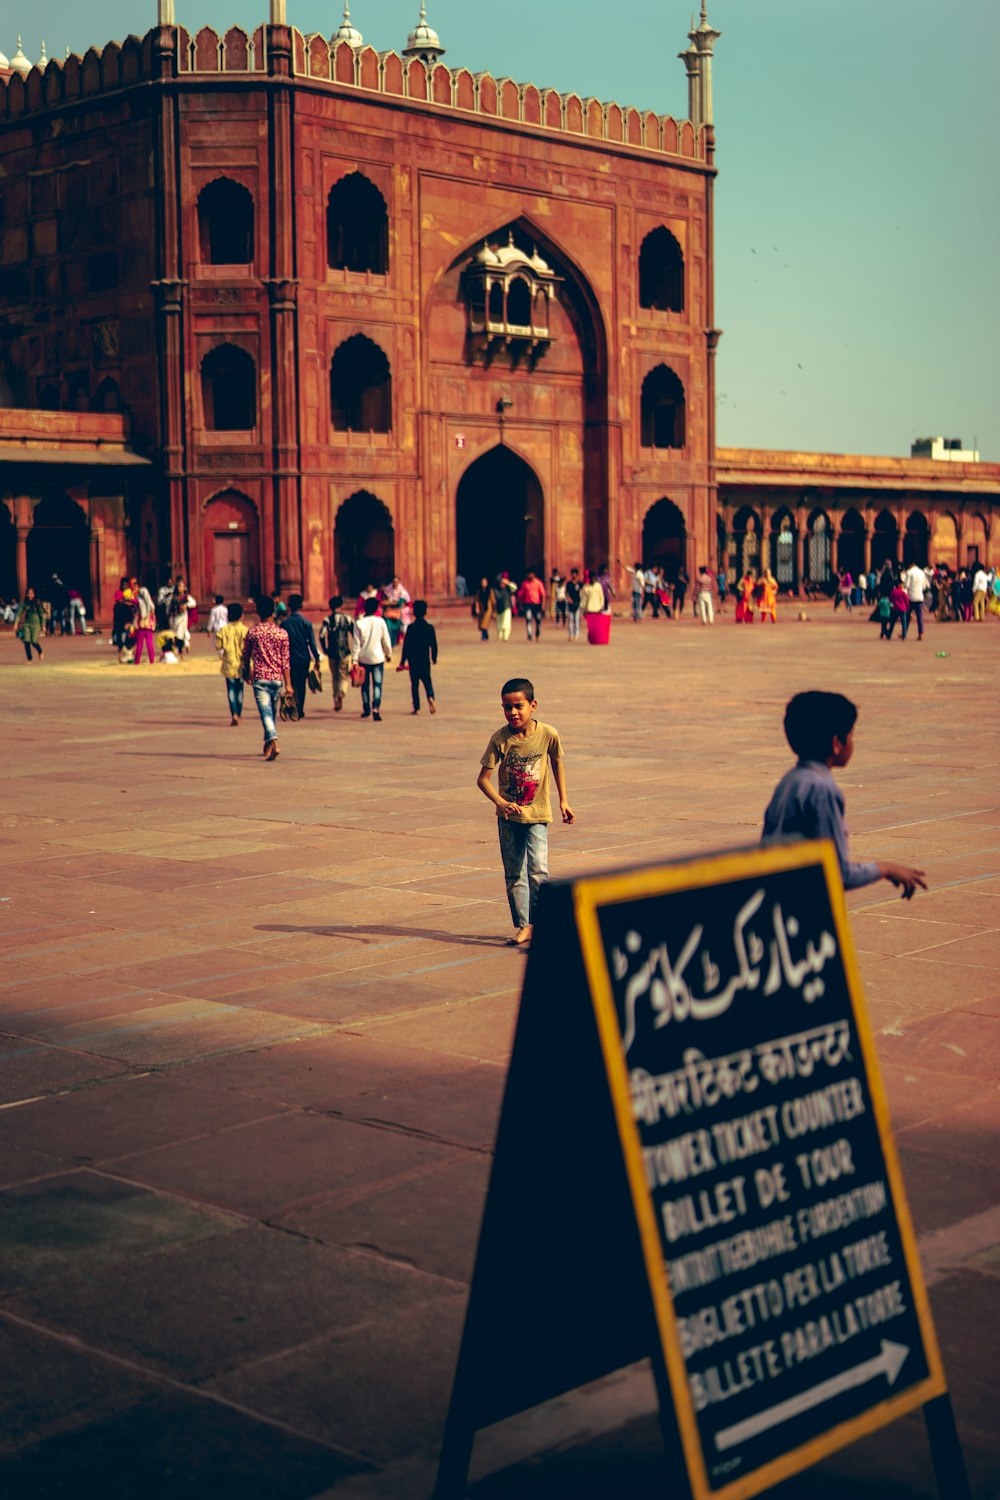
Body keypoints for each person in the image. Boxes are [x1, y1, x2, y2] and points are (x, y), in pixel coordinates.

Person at [762, 691, 927, 900]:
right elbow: (837, 874)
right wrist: (885, 868)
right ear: (836, 743)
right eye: (851, 735)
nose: (852, 741)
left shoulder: (790, 781)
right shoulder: (822, 790)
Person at [477, 676, 574, 947]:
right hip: (508, 818)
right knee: (514, 873)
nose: (513, 713)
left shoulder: (548, 734)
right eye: (507, 707)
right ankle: (524, 925)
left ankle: (540, 922)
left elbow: (557, 763)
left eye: (518, 706)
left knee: (539, 870)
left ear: (533, 705)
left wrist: (564, 801)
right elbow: (482, 779)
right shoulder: (500, 739)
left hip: (538, 815)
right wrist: (499, 802)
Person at [242, 595, 293, 760]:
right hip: (277, 679)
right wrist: (289, 685)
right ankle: (268, 743)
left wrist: (246, 671)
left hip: (260, 679)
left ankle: (274, 742)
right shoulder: (282, 634)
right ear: (274, 611)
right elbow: (285, 661)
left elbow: (245, 656)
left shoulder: (253, 632)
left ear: (258, 611)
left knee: (265, 713)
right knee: (271, 712)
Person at [352, 595, 392, 720]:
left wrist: (354, 660)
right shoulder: (380, 621)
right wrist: (388, 653)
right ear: (376, 609)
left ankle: (366, 708)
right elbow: (386, 639)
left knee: (365, 685)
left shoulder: (359, 623)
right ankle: (376, 707)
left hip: (364, 658)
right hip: (377, 658)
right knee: (377, 684)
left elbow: (356, 645)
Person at [282, 594, 321, 717]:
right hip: (304, 657)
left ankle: (295, 706)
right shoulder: (306, 623)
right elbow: (312, 643)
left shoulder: (284, 624)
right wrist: (317, 658)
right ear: (301, 606)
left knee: (293, 683)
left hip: (290, 658)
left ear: (289, 606)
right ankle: (300, 708)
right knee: (302, 684)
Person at [400, 598, 438, 714]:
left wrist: (402, 661)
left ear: (414, 612)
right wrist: (434, 657)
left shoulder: (411, 628)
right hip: (424, 659)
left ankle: (416, 707)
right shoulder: (429, 628)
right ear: (425, 612)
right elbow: (434, 645)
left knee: (414, 684)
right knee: (427, 680)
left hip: (413, 660)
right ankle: (430, 696)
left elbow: (406, 646)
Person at [216, 601, 249, 724]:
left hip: (228, 664)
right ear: (241, 615)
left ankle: (234, 713)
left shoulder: (223, 630)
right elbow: (248, 648)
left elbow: (218, 646)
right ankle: (238, 713)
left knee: (231, 689)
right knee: (240, 689)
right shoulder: (245, 630)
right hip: (241, 664)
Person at [319, 595, 354, 711]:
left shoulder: (328, 620)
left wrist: (325, 649)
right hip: (345, 652)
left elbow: (321, 635)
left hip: (332, 652)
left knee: (335, 677)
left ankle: (335, 699)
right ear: (341, 606)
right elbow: (355, 634)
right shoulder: (347, 619)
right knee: (344, 675)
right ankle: (341, 693)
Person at [14, 587, 45, 661]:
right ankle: (29, 659)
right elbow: (19, 614)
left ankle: (40, 651)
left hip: (36, 625)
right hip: (27, 624)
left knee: (34, 641)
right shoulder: (24, 603)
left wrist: (43, 625)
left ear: (34, 594)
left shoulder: (37, 602)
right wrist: (15, 623)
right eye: (28, 594)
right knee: (26, 641)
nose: (30, 596)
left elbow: (41, 615)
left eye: (31, 594)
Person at [902, 561, 929, 640]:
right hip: (919, 597)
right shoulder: (922, 572)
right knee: (919, 616)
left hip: (911, 597)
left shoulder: (909, 572)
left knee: (907, 615)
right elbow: (924, 586)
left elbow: (906, 585)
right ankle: (921, 633)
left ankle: (904, 633)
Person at [132, 578, 157, 665]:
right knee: (148, 643)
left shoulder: (140, 599)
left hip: (143, 624)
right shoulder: (150, 604)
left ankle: (137, 661)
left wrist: (132, 594)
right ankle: (151, 661)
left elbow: (133, 600)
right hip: (148, 624)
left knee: (141, 644)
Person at [169, 577, 196, 654]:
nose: (180, 588)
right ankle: (185, 644)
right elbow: (170, 607)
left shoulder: (186, 597)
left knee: (179, 632)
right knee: (177, 632)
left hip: (183, 617)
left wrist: (186, 605)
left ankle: (178, 648)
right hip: (175, 617)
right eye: (179, 586)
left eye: (182, 586)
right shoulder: (173, 597)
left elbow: (193, 603)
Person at [517, 570, 546, 641]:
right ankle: (529, 635)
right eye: (528, 574)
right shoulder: (525, 583)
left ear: (534, 574)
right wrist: (520, 604)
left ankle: (537, 633)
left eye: (530, 574)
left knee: (538, 620)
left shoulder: (538, 583)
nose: (529, 576)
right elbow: (521, 595)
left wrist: (543, 605)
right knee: (528, 619)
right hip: (528, 604)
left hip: (537, 604)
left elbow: (543, 595)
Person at [494, 573, 515, 640]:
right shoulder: (496, 590)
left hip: (507, 606)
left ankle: (506, 636)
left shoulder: (508, 589)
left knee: (506, 622)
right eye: (501, 583)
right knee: (499, 622)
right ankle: (500, 634)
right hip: (499, 608)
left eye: (503, 583)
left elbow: (515, 588)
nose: (502, 584)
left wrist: (508, 583)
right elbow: (496, 598)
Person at [565, 567, 582, 641]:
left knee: (577, 620)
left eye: (574, 574)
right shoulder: (569, 584)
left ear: (577, 575)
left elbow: (583, 593)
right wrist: (568, 599)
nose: (573, 576)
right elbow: (566, 593)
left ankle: (576, 634)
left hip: (578, 603)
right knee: (571, 620)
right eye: (572, 574)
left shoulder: (580, 584)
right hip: (570, 603)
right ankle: (570, 635)